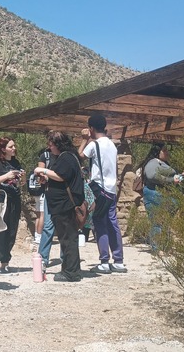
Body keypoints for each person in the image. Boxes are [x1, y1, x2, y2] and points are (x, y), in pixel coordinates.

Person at [78, 114, 127, 274]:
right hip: (111, 189)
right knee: (113, 223)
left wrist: (84, 139)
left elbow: (80, 156)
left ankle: (104, 261)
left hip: (99, 189)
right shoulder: (112, 145)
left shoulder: (95, 145)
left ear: (91, 128)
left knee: (100, 223)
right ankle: (118, 260)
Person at [34, 131, 84, 282]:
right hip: (61, 205)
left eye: (51, 145)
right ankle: (69, 269)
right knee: (66, 238)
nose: (50, 149)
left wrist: (42, 170)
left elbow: (62, 176)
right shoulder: (65, 157)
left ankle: (71, 272)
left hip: (65, 205)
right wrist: (47, 179)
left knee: (68, 238)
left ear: (58, 145)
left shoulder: (67, 157)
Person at [137, 142, 184, 252]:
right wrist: (171, 180)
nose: (167, 153)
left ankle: (162, 246)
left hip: (161, 195)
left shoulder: (163, 163)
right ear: (158, 151)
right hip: (154, 194)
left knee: (162, 221)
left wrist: (180, 177)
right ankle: (157, 248)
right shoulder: (153, 162)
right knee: (157, 220)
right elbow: (152, 175)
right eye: (165, 150)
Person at [0, 137, 23, 275]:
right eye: (11, 146)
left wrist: (22, 178)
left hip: (15, 199)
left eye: (14, 146)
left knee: (12, 230)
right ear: (3, 149)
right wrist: (7, 176)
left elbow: (21, 184)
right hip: (2, 200)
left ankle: (5, 261)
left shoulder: (15, 162)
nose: (14, 148)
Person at [36, 132, 62, 269]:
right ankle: (42, 259)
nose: (49, 146)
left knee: (64, 227)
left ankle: (65, 258)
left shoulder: (65, 156)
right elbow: (40, 172)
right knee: (48, 226)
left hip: (63, 195)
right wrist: (42, 175)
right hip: (49, 193)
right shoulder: (45, 156)